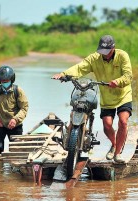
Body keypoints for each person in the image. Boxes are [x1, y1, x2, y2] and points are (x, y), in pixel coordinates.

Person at [52, 35, 133, 163]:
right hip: (107, 96)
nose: (104, 55)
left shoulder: (122, 56)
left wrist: (118, 81)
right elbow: (80, 67)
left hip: (123, 94)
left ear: (113, 48)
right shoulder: (94, 58)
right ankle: (115, 144)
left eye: (107, 52)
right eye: (102, 52)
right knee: (107, 125)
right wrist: (63, 74)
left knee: (123, 121)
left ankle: (117, 154)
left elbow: (128, 76)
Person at [0, 65, 29, 154]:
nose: (4, 83)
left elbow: (24, 108)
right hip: (0, 125)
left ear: (11, 79)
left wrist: (15, 119)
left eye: (6, 81)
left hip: (15, 125)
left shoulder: (18, 91)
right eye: (2, 81)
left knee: (16, 151)